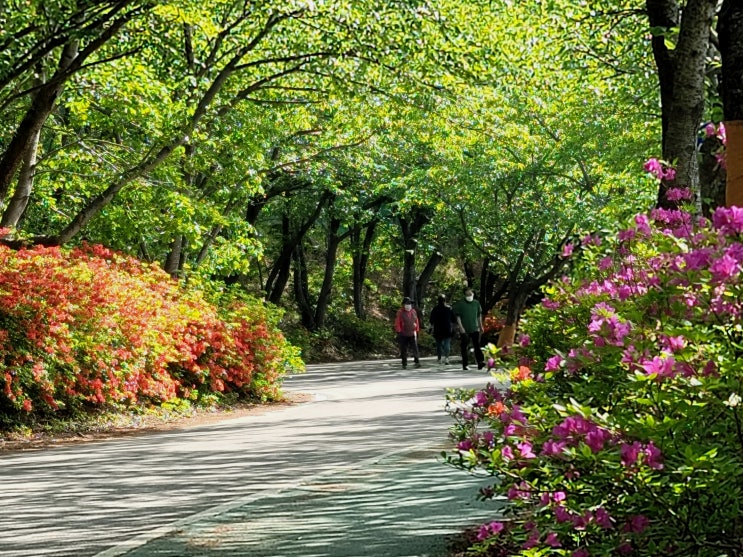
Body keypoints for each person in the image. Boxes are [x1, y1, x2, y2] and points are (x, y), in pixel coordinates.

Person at [452, 288, 485, 371]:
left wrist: (481, 326)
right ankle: (465, 364)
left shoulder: (476, 303)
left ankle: (480, 362)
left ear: (473, 294)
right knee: (464, 347)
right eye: (467, 294)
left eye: (470, 294)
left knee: (477, 345)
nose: (469, 296)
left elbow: (478, 315)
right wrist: (461, 327)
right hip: (465, 329)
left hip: (475, 328)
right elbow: (458, 317)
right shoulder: (461, 304)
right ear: (464, 295)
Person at [394, 296, 421, 369]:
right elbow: (397, 322)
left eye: (409, 303)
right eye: (407, 303)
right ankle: (404, 363)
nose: (408, 305)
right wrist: (399, 331)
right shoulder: (400, 312)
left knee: (415, 347)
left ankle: (417, 361)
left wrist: (417, 329)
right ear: (404, 304)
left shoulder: (413, 311)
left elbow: (416, 321)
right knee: (404, 349)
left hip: (412, 332)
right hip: (403, 333)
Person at [429, 294, 456, 365]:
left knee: (439, 344)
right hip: (447, 328)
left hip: (438, 328)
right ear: (445, 300)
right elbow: (454, 319)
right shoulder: (449, 308)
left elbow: (431, 320)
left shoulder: (435, 309)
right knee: (447, 343)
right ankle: (446, 358)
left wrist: (431, 326)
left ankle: (439, 358)